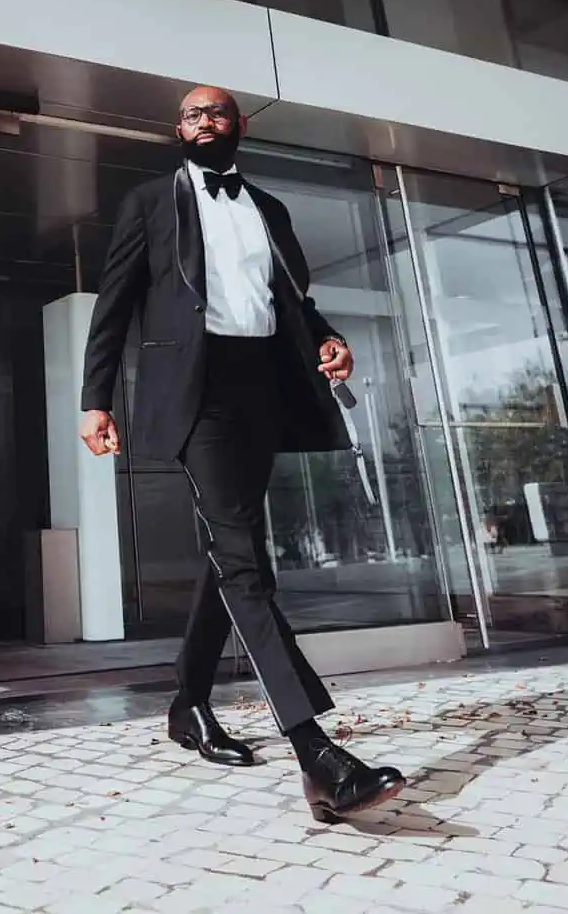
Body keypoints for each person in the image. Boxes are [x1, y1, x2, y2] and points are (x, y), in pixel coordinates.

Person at [79, 85, 407, 822]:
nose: (205, 120)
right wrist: (93, 399)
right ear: (177, 128)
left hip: (262, 387)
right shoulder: (148, 203)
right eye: (192, 112)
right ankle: (316, 753)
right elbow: (114, 304)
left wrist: (327, 339)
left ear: (238, 126)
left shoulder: (270, 209)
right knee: (244, 561)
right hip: (194, 394)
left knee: (230, 555)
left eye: (217, 111)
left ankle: (188, 704)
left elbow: (291, 299)